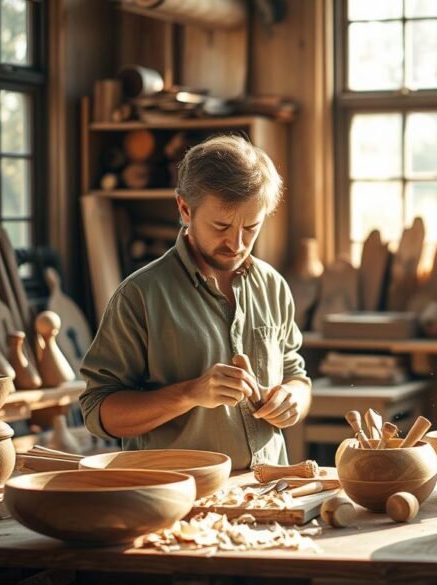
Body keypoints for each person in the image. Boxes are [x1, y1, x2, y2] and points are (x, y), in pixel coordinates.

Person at [79, 135, 310, 468]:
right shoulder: (140, 295)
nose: (236, 243)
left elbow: (295, 373)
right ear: (185, 209)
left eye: (251, 227)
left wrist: (294, 399)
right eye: (221, 226)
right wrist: (189, 394)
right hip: (175, 499)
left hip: (267, 492)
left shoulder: (273, 285)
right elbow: (97, 411)